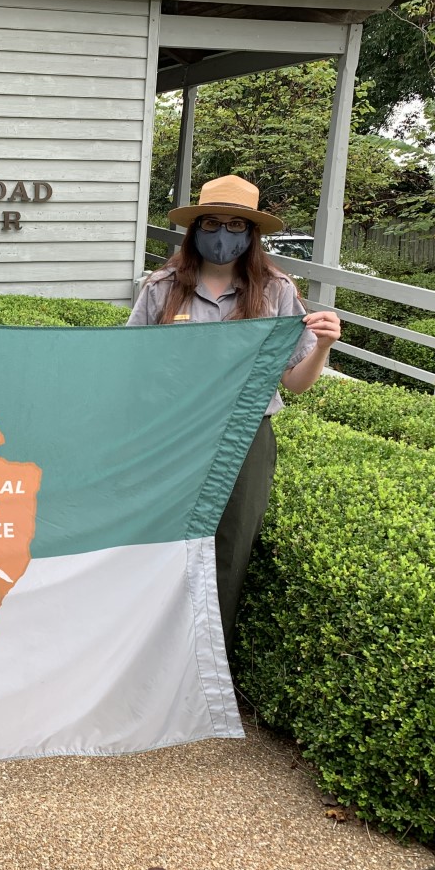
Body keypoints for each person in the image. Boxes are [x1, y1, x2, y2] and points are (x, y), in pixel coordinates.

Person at [127, 174, 341, 658]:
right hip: (173, 434)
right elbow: (132, 366)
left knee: (230, 546)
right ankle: (145, 654)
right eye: (213, 223)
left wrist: (324, 344)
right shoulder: (161, 288)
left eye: (236, 225)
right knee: (162, 539)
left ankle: (202, 663)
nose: (223, 235)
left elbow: (294, 380)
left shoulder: (275, 292)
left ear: (251, 233)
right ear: (195, 228)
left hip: (246, 435)